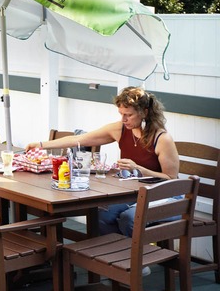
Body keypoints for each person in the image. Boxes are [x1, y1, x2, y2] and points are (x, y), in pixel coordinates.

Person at [25, 86, 179, 237]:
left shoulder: (162, 139)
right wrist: (40, 145)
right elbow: (78, 139)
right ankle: (120, 255)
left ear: (144, 112)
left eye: (129, 115)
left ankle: (138, 260)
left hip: (165, 195)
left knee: (130, 219)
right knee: (100, 216)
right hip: (134, 193)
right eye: (121, 114)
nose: (123, 119)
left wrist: (138, 168)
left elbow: (171, 178)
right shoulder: (121, 129)